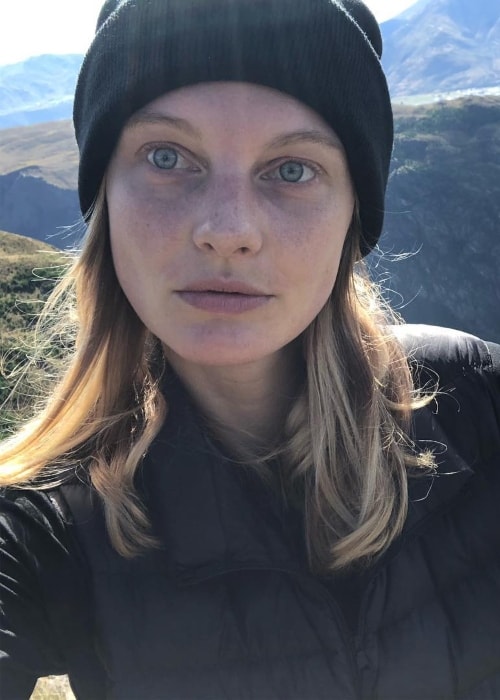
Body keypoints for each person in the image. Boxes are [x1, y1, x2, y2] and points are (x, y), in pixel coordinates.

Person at [1, 0, 499, 698]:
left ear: (353, 211)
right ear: (105, 197)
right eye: (166, 157)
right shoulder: (46, 525)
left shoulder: (474, 400)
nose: (227, 230)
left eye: (292, 170)